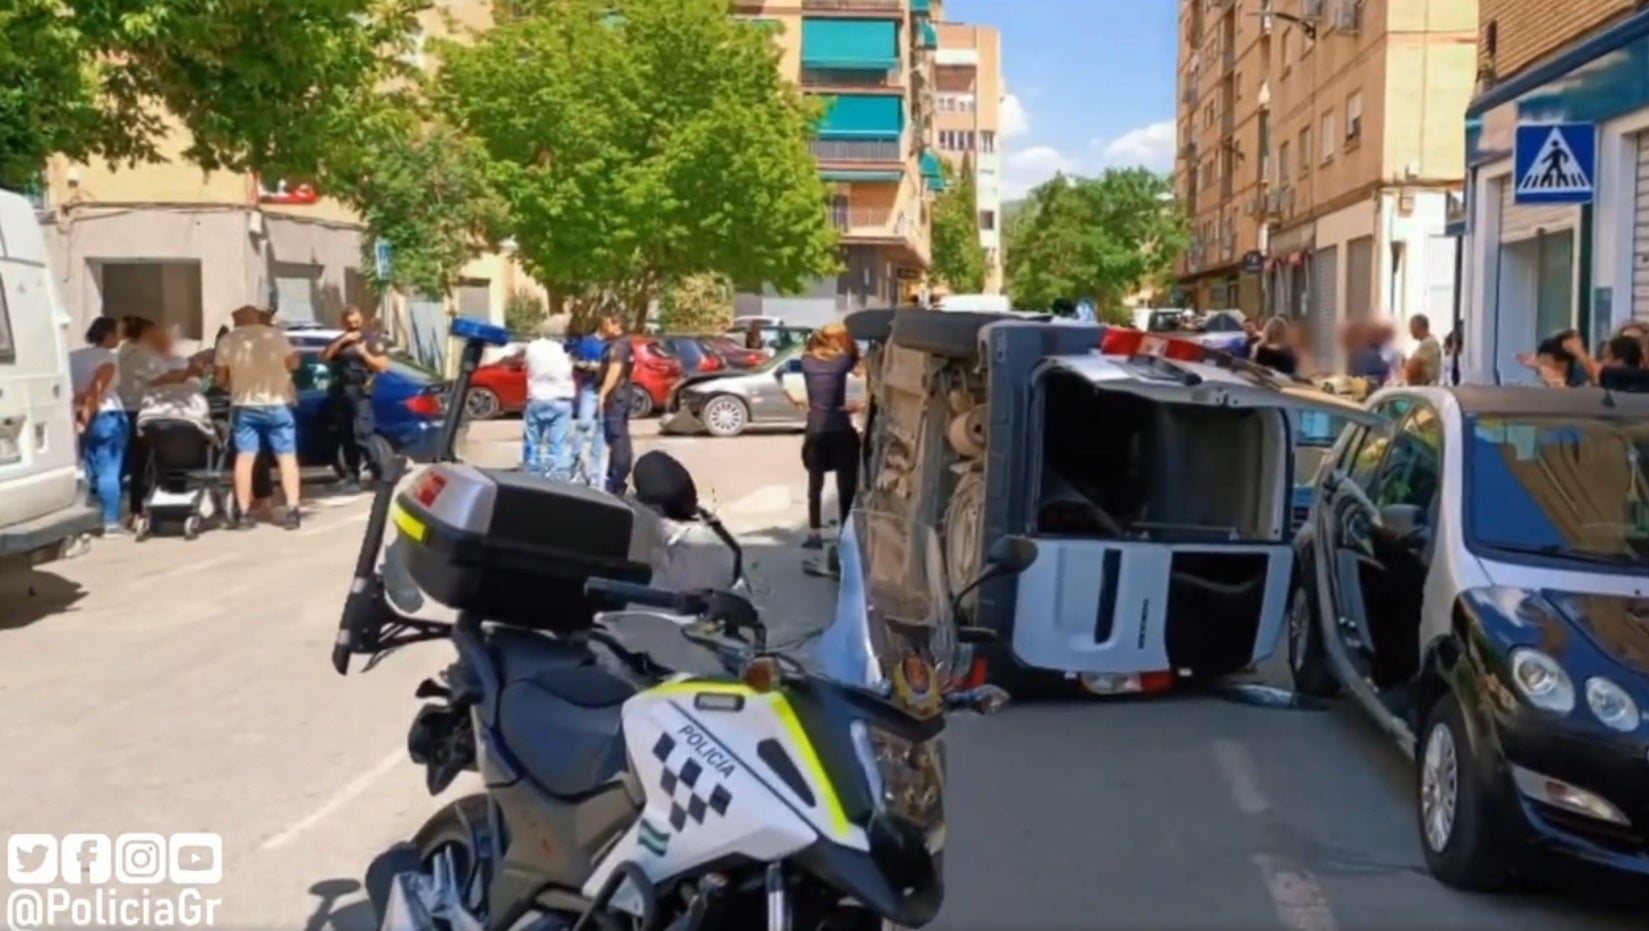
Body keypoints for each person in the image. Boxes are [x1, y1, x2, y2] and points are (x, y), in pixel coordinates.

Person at [215, 305, 303, 529]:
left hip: (245, 405)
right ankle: (292, 509)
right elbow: (294, 363)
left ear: (237, 320)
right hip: (277, 403)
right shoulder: (275, 336)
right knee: (286, 457)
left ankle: (244, 512)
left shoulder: (228, 340)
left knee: (245, 458)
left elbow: (219, 380)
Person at [797, 323, 862, 550]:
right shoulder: (841, 362)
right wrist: (849, 337)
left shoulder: (806, 361)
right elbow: (856, 357)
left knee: (815, 484)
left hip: (815, 429)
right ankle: (845, 532)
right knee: (845, 485)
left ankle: (814, 534)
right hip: (839, 429)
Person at [69, 318, 129, 534]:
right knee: (109, 469)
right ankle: (111, 521)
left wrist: (80, 413)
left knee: (84, 467)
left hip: (74, 413)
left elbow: (74, 391)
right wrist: (87, 414)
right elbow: (97, 391)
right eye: (117, 333)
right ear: (108, 335)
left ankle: (83, 516)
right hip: (106, 415)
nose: (120, 338)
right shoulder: (108, 359)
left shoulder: (73, 358)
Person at [322, 307, 390, 488]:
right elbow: (325, 356)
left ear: (362, 319)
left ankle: (379, 474)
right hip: (342, 391)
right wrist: (343, 340)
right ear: (343, 322)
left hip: (360, 390)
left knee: (363, 434)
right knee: (346, 435)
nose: (353, 325)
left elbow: (382, 366)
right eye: (349, 322)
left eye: (356, 322)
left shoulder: (371, 340)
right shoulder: (341, 340)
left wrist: (364, 354)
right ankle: (352, 476)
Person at [522, 318, 577, 479]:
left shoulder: (532, 347)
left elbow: (527, 366)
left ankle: (532, 474)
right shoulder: (565, 350)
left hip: (538, 397)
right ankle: (556, 476)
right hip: (561, 398)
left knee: (533, 441)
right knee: (557, 443)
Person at [593, 315, 635, 494]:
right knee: (619, 437)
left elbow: (615, 370)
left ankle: (616, 480)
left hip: (615, 397)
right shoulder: (624, 343)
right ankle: (616, 477)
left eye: (606, 325)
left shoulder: (619, 345)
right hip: (622, 394)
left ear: (616, 325)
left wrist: (602, 394)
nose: (603, 328)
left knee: (617, 438)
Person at [570, 322, 609, 486]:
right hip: (589, 387)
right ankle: (574, 463)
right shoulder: (586, 342)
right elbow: (573, 360)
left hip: (605, 389)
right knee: (583, 424)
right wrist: (584, 365)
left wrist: (601, 367)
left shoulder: (611, 344)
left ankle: (595, 471)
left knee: (601, 428)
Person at [1403, 314, 1443, 386]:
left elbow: (1414, 365)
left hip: (1425, 387)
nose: (1410, 331)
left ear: (1418, 327)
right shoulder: (1430, 342)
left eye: (1411, 328)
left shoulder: (1428, 343)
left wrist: (1406, 364)